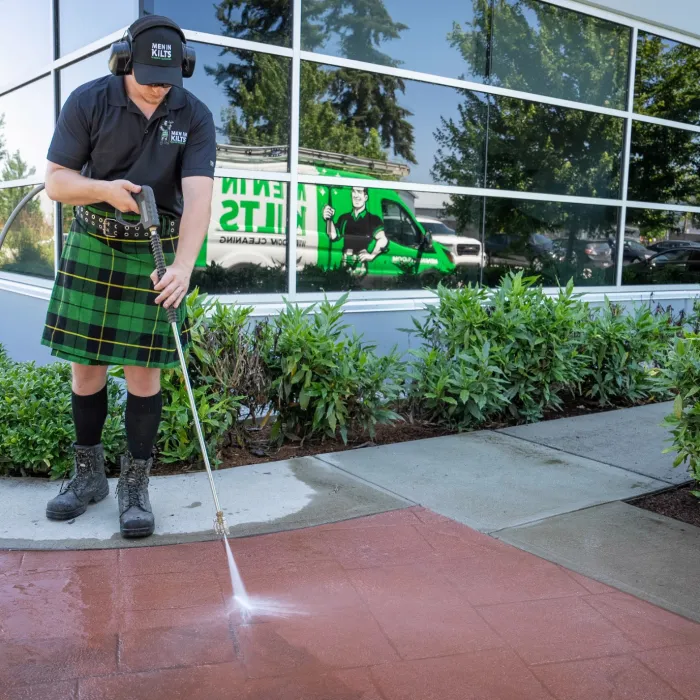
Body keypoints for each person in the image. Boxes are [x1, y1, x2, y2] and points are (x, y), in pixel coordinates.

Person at [40, 15, 216, 538]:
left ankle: (135, 487)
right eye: (148, 75)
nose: (159, 87)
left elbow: (200, 198)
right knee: (87, 367)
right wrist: (104, 189)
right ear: (123, 61)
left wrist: (183, 266)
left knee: (144, 373)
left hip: (152, 251)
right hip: (93, 240)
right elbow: (55, 182)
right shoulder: (88, 100)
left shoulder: (194, 114)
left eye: (169, 78)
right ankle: (88, 476)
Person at [322, 186, 388, 264]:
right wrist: (329, 219)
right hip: (345, 263)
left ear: (365, 197)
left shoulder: (373, 219)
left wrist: (371, 255)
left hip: (360, 265)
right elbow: (333, 236)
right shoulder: (344, 218)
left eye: (359, 192)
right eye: (354, 191)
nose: (356, 195)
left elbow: (383, 239)